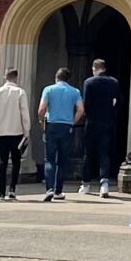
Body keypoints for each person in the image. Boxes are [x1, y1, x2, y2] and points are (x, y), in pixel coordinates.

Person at [36, 66, 82, 200]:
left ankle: (49, 188)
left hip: (51, 125)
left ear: (56, 78)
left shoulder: (48, 89)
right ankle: (58, 191)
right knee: (62, 160)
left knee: (49, 159)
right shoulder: (75, 91)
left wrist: (41, 121)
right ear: (68, 79)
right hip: (66, 126)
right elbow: (80, 110)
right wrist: (72, 122)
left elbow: (42, 109)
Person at [80, 56, 123, 196]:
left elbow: (85, 103)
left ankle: (86, 184)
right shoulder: (113, 82)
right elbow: (120, 100)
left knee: (88, 153)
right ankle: (104, 184)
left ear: (94, 69)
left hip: (92, 121)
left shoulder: (89, 82)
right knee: (104, 153)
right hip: (108, 121)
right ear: (104, 69)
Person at [0, 67, 30, 201]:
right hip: (16, 132)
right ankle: (12, 189)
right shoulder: (20, 93)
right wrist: (26, 131)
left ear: (5, 77)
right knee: (16, 162)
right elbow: (24, 113)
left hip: (1, 132)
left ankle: (0, 192)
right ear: (16, 78)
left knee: (2, 162)